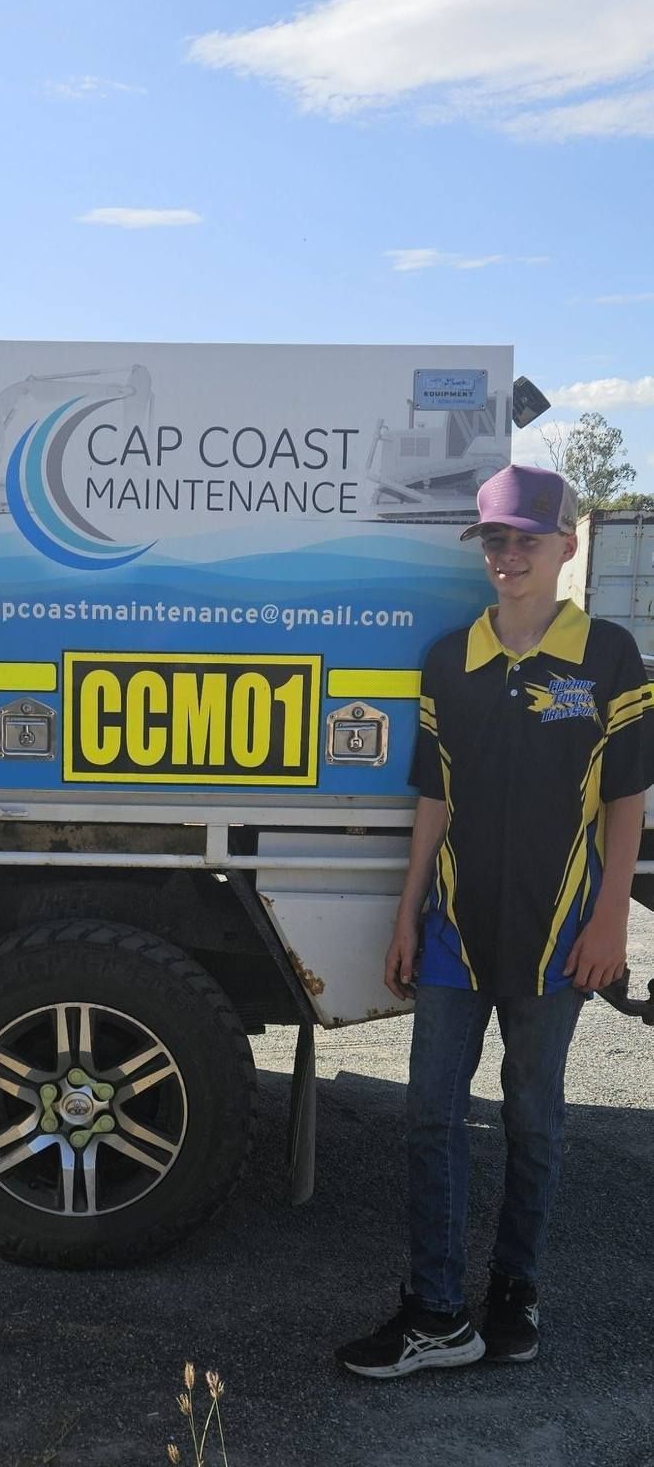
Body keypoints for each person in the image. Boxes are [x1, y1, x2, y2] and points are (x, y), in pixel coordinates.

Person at [338, 464, 653, 1378]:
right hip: (451, 929)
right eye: (496, 540)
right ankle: (438, 1312)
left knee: (534, 1120)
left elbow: (627, 802)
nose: (511, 555)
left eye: (529, 538)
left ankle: (515, 1293)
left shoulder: (610, 656)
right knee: (429, 1117)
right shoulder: (450, 658)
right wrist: (405, 915)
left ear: (566, 546)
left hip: (560, 935)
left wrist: (611, 927)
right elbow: (431, 799)